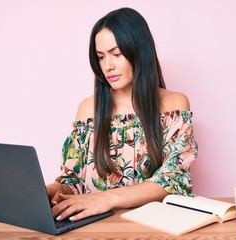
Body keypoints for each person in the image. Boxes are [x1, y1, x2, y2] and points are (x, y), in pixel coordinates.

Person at [46, 7, 198, 222]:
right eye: (100, 57)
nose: (107, 66)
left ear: (139, 51)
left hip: (156, 227)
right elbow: (75, 180)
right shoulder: (88, 110)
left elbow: (173, 180)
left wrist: (106, 199)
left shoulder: (173, 105)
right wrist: (55, 189)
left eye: (116, 54)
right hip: (97, 228)